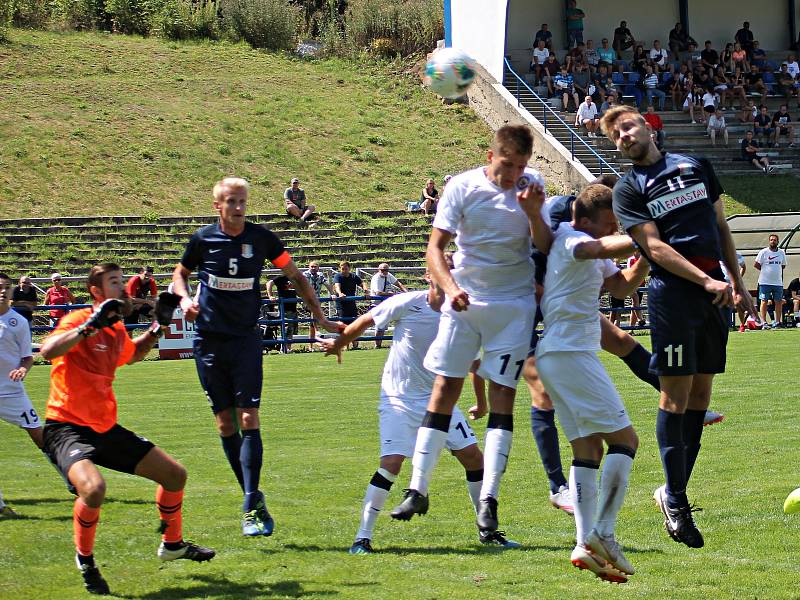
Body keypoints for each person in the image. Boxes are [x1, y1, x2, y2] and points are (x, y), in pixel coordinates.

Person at [600, 105, 757, 549]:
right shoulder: (629, 190)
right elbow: (653, 247)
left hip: (715, 293)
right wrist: (706, 279)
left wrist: (736, 284)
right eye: (615, 135)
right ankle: (678, 500)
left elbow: (721, 226)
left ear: (648, 126)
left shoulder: (696, 165)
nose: (624, 136)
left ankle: (671, 491)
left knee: (701, 395)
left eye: (627, 126)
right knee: (675, 394)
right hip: (675, 295)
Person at [389, 125, 551, 543]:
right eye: (507, 164)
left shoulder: (534, 187)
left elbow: (546, 246)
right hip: (465, 300)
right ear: (490, 154)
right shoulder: (461, 186)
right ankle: (417, 489)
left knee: (501, 396)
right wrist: (449, 286)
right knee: (444, 388)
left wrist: (534, 213)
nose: (514, 174)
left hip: (514, 306)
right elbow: (435, 247)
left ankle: (488, 502)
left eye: (521, 166)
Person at [171, 177, 341, 537]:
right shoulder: (203, 240)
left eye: (243, 201)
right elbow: (179, 275)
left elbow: (294, 275)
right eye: (231, 201)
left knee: (248, 416)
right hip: (209, 340)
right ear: (218, 206)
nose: (238, 207)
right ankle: (252, 495)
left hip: (246, 340)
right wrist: (185, 299)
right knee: (225, 424)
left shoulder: (262, 239)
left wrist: (320, 317)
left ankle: (250, 501)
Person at [40, 264, 216, 595]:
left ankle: (173, 543)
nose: (122, 287)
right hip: (65, 426)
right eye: (113, 282)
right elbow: (48, 351)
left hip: (104, 427)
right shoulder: (78, 320)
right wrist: (90, 326)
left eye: (122, 281)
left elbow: (131, 355)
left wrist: (158, 326)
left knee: (174, 475)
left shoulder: (116, 328)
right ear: (96, 290)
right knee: (93, 490)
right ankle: (86, 560)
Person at [320, 273, 520, 552]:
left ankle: (488, 532)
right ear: (430, 274)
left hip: (440, 402)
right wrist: (339, 343)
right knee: (392, 463)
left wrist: (481, 402)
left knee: (474, 458)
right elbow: (366, 321)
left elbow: (474, 363)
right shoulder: (406, 302)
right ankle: (362, 538)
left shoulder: (462, 315)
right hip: (398, 398)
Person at [536, 185, 647, 583]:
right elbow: (596, 251)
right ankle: (604, 532)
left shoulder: (592, 242)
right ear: (583, 220)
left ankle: (584, 543)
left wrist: (647, 256)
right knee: (625, 441)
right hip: (570, 354)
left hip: (561, 355)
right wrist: (643, 233)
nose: (612, 230)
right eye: (609, 224)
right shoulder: (573, 238)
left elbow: (620, 288)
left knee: (587, 450)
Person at [0, 272, 45, 511]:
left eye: (6, 287)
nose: (2, 291)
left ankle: (73, 481)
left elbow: (28, 357)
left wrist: (22, 369)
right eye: (0, 287)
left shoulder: (18, 322)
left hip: (11, 392)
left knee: (39, 435)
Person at [369, 263, 408, 349]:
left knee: (383, 325)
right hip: (377, 304)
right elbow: (378, 292)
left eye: (386, 270)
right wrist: (390, 294)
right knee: (380, 325)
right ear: (378, 270)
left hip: (386, 303)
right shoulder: (376, 278)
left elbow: (398, 283)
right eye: (382, 270)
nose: (384, 272)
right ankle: (377, 345)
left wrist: (406, 292)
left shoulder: (388, 275)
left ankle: (379, 344)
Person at [333, 261, 369, 349]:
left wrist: (365, 290)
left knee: (353, 324)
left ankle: (355, 344)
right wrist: (340, 293)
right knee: (343, 324)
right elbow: (337, 286)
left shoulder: (353, 276)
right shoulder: (338, 276)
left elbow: (362, 283)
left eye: (346, 269)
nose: (344, 270)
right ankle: (346, 345)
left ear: (349, 268)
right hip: (341, 304)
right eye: (342, 269)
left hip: (351, 304)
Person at [754, 234, 787, 328]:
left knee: (778, 301)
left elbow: (783, 265)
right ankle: (764, 322)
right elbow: (756, 265)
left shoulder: (781, 252)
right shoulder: (763, 252)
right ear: (769, 241)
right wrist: (766, 271)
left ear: (778, 241)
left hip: (778, 282)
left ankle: (777, 322)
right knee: (764, 301)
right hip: (764, 282)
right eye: (771, 240)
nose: (773, 241)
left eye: (775, 240)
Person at [303, 261, 332, 351]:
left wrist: (332, 293)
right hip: (306, 300)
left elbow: (327, 284)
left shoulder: (320, 275)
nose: (313, 268)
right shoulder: (305, 274)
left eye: (315, 266)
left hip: (317, 300)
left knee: (311, 323)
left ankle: (311, 346)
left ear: (318, 267)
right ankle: (317, 330)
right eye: (312, 266)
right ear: (309, 267)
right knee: (314, 308)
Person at [266, 274, 298, 353]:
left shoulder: (296, 278)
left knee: (291, 330)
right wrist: (270, 296)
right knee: (286, 328)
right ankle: (284, 348)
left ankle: (288, 348)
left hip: (293, 307)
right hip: (284, 308)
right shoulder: (281, 278)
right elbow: (269, 283)